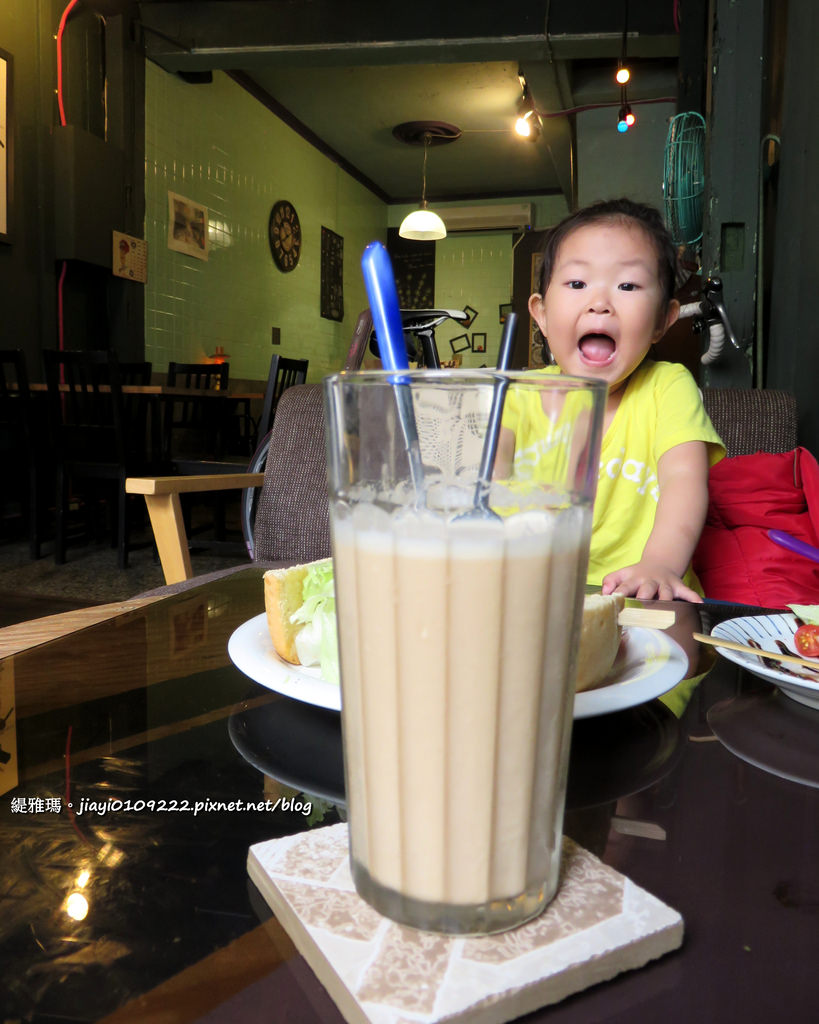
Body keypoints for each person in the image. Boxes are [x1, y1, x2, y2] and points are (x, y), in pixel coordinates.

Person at [498, 198, 724, 601]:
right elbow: (488, 478)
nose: (600, 302)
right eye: (577, 283)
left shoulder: (668, 386)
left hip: (643, 599)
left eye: (628, 286)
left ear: (662, 320)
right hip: (533, 590)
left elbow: (684, 481)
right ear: (543, 313)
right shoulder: (517, 394)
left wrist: (661, 564)